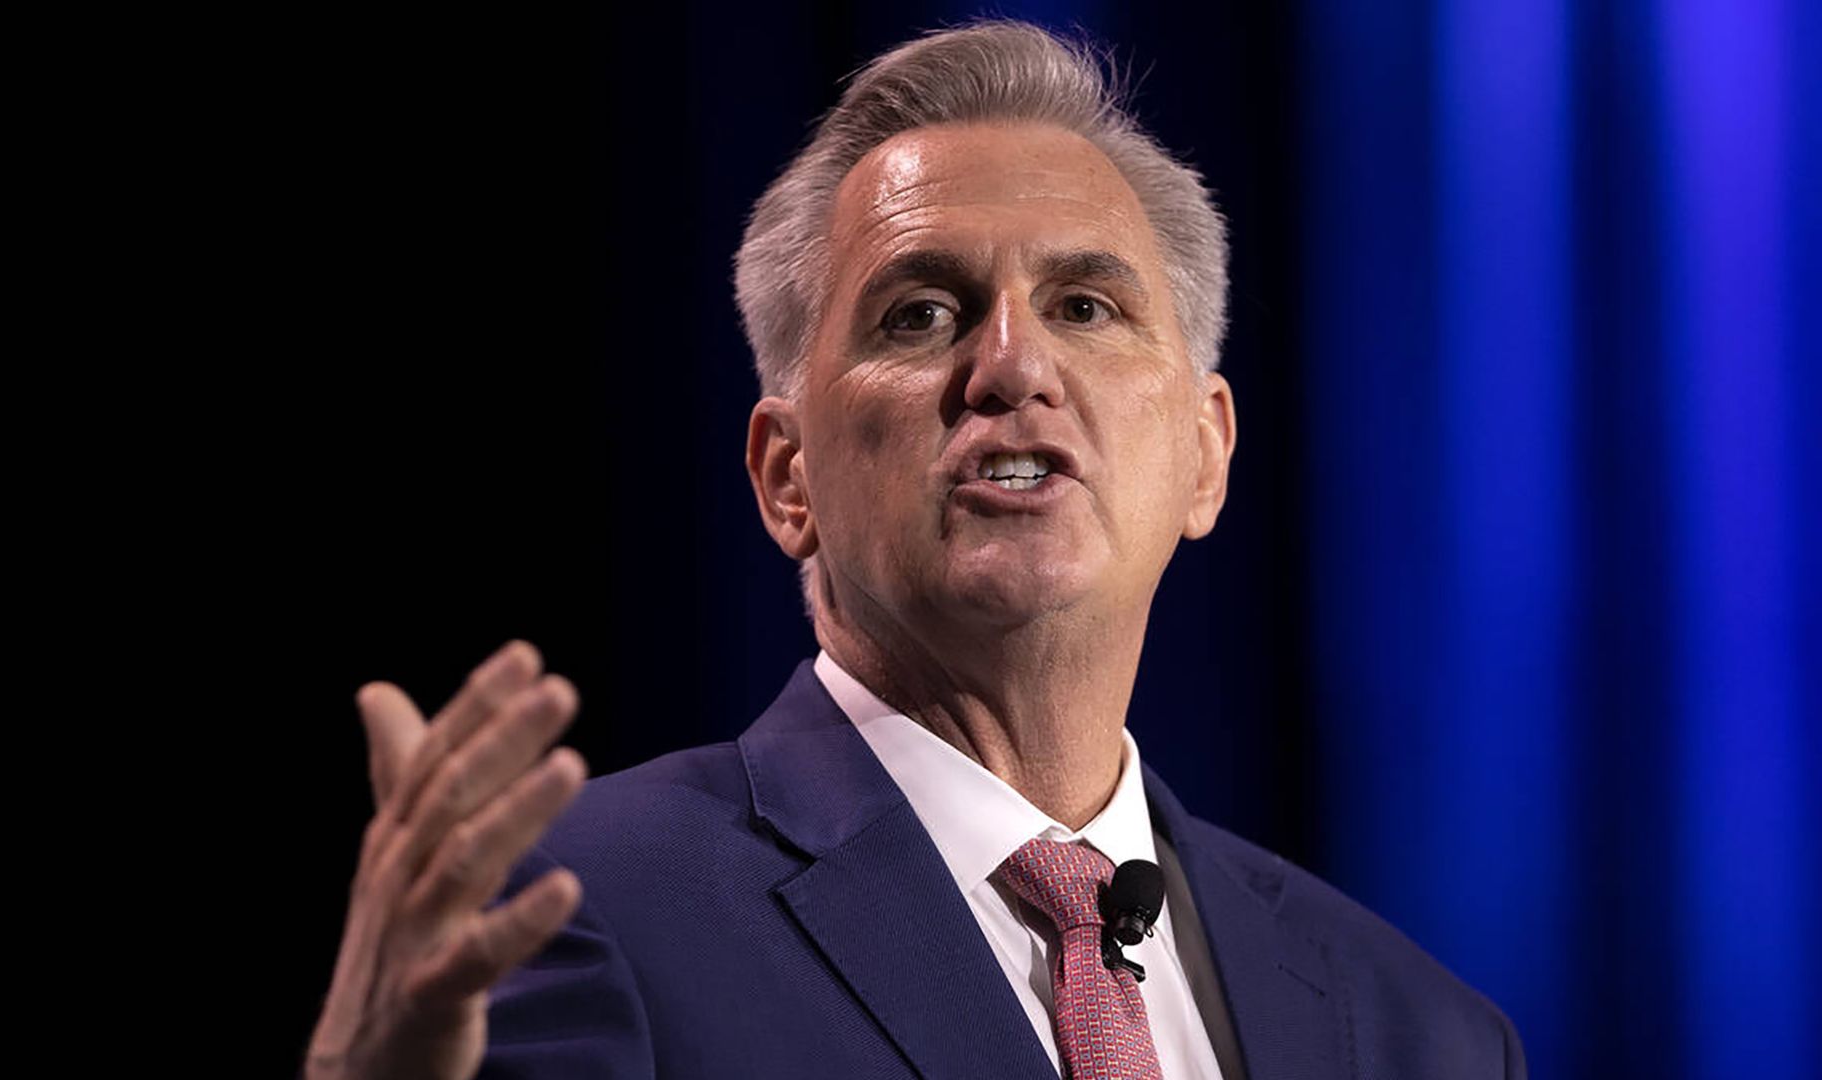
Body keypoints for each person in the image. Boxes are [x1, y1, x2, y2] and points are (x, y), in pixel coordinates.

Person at [304, 20, 1526, 1080]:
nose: (1012, 367)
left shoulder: (1420, 1034)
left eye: (1086, 308)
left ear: (1205, 455)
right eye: (920, 314)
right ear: (788, 477)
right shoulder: (572, 909)